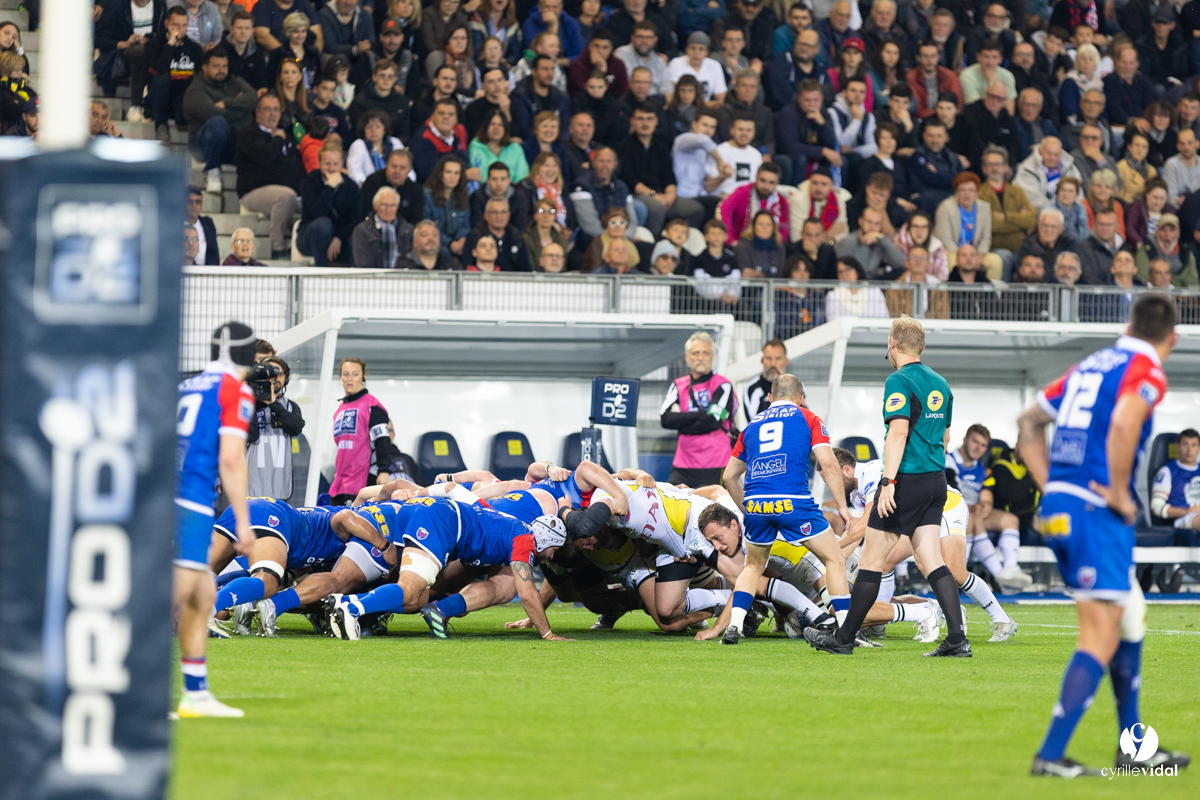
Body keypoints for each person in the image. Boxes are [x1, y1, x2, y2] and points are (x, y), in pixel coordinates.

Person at [1017, 295, 1191, 777]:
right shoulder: (1146, 369)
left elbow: (1027, 424)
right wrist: (1118, 493)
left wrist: (1054, 487)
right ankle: (1050, 756)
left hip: (1060, 507)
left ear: (1127, 324)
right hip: (1095, 511)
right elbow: (1123, 420)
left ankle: (1134, 748)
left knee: (1131, 614)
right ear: (1170, 339)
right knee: (1100, 634)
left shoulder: (1090, 364)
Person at [806, 315, 970, 657]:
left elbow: (898, 431)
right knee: (932, 559)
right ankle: (957, 639)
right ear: (922, 346)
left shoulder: (899, 380)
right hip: (936, 480)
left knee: (871, 561)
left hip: (905, 479)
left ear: (892, 344)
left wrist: (889, 480)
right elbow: (946, 436)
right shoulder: (941, 383)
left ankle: (844, 638)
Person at [714, 373, 850, 644]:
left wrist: (746, 507)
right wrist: (843, 506)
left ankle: (735, 626)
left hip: (755, 504)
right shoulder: (808, 417)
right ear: (801, 398)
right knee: (834, 559)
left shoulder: (751, 426)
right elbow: (829, 463)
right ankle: (846, 630)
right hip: (793, 501)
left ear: (770, 397)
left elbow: (729, 477)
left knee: (752, 566)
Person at [173, 322, 256, 717]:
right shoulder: (236, 390)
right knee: (174, 595)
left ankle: (195, 693)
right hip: (192, 498)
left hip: (166, 494)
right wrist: (242, 521)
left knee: (202, 593)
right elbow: (231, 458)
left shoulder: (188, 385)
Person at [659, 331, 738, 487]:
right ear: (687, 357)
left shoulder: (723, 385)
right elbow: (665, 419)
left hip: (717, 463)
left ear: (712, 356)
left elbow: (713, 421)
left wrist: (682, 422)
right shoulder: (678, 385)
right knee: (671, 506)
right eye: (696, 353)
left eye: (705, 353)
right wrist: (698, 415)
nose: (700, 357)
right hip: (683, 465)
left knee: (718, 510)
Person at [235, 93, 304, 259]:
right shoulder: (248, 134)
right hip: (254, 190)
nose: (272, 114)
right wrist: (278, 140)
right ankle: (277, 247)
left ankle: (305, 250)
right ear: (258, 112)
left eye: (276, 110)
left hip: (285, 188)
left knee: (312, 200)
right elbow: (266, 155)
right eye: (267, 109)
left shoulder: (285, 134)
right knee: (286, 197)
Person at [328, 356, 404, 505]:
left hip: (361, 483)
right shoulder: (340, 409)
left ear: (363, 376)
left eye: (355, 374)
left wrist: (384, 471)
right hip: (338, 485)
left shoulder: (372, 405)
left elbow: (383, 440)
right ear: (340, 377)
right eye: (345, 374)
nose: (350, 379)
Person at [617, 101, 686, 236]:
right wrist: (655, 195)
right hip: (638, 194)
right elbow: (629, 180)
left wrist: (671, 195)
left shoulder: (662, 146)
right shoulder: (623, 147)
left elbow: (669, 175)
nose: (645, 123)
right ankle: (652, 243)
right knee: (657, 207)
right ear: (632, 121)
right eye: (640, 119)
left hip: (662, 194)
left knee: (696, 209)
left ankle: (676, 243)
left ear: (656, 121)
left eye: (649, 119)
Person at [245, 354, 305, 499]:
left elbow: (296, 427)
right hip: (251, 486)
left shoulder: (290, 406)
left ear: (286, 378)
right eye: (269, 373)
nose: (274, 378)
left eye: (279, 374)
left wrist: (272, 404)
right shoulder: (247, 404)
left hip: (280, 487)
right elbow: (250, 435)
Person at [94, 0, 167, 112]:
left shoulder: (160, 5)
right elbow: (99, 40)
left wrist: (153, 40)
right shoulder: (115, 5)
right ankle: (136, 105)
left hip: (152, 54)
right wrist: (125, 43)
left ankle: (154, 107)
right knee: (141, 51)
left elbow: (164, 35)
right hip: (123, 55)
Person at [147, 6, 205, 141]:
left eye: (184, 25)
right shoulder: (154, 45)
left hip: (183, 98)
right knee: (160, 80)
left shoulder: (194, 49)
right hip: (161, 98)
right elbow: (160, 70)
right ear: (167, 24)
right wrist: (170, 44)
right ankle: (161, 125)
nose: (180, 29)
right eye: (176, 25)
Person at [298, 143, 360, 265]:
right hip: (310, 236)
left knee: (357, 236)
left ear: (342, 164)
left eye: (335, 164)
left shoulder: (351, 186)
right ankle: (321, 272)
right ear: (320, 163)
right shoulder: (309, 181)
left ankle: (355, 278)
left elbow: (355, 220)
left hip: (342, 238)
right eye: (327, 164)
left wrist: (338, 238)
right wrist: (330, 187)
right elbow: (317, 213)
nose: (331, 168)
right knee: (323, 223)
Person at [776, 78, 839, 186]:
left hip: (813, 153)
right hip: (790, 155)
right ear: (800, 99)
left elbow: (831, 144)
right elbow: (791, 146)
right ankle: (797, 193)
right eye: (807, 100)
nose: (812, 104)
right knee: (801, 158)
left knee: (842, 160)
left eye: (816, 100)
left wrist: (822, 124)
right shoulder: (789, 113)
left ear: (822, 99)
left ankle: (833, 195)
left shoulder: (824, 114)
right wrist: (822, 151)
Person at [934, 171, 993, 271]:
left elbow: (986, 238)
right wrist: (965, 257)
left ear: (978, 193)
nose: (967, 194)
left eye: (971, 190)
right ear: (956, 193)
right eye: (962, 190)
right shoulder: (945, 207)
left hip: (976, 253)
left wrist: (978, 255)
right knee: (952, 262)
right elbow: (945, 240)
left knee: (996, 262)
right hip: (952, 252)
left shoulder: (985, 207)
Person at [349, 57, 414, 147]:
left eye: (390, 76)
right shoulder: (360, 101)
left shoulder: (402, 102)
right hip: (367, 148)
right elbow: (359, 132)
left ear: (395, 79)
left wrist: (391, 147)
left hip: (394, 149)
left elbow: (405, 134)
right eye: (382, 75)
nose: (386, 80)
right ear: (374, 77)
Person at [719, 162, 787, 243]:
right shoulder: (742, 193)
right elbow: (723, 210)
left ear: (777, 183)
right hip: (738, 244)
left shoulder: (781, 202)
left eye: (771, 182)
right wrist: (730, 241)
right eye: (762, 180)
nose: (766, 186)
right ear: (756, 178)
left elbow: (783, 233)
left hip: (767, 248)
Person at [351, 186, 416, 269]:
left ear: (397, 207)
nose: (388, 209)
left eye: (392, 205)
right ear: (375, 206)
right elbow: (363, 263)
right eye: (384, 205)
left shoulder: (408, 229)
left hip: (401, 279)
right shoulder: (362, 230)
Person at [834, 206, 906, 279]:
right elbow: (844, 273)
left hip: (872, 284)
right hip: (854, 285)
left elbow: (901, 264)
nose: (872, 227)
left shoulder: (880, 242)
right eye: (869, 222)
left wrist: (884, 239)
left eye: (877, 224)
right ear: (860, 221)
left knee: (900, 273)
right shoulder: (848, 242)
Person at [464, 196, 533, 271]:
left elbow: (526, 269)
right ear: (486, 215)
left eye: (503, 212)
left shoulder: (517, 237)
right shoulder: (474, 236)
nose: (499, 216)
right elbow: (467, 266)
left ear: (509, 215)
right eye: (495, 212)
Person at [513, 54, 572, 141]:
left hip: (556, 146)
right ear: (534, 71)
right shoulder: (520, 95)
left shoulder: (562, 98)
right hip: (530, 145)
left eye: (552, 69)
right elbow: (524, 130)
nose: (550, 73)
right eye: (545, 69)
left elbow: (564, 131)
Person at [410, 97, 471, 183]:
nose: (446, 117)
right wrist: (464, 175)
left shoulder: (460, 131)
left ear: (456, 119)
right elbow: (429, 176)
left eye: (451, 114)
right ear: (433, 116)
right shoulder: (424, 139)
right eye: (441, 113)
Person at [908, 118, 961, 213]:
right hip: (930, 202)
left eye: (939, 136)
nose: (935, 140)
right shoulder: (918, 156)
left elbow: (962, 180)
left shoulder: (953, 157)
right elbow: (931, 178)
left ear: (946, 137)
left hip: (951, 198)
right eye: (931, 136)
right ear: (924, 136)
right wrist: (952, 177)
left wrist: (938, 173)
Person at [785, 167, 850, 245]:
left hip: (829, 248)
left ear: (831, 186)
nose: (819, 188)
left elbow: (842, 235)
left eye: (824, 184)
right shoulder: (798, 199)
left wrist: (824, 240)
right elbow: (797, 239)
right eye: (815, 183)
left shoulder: (837, 199)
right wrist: (828, 235)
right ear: (809, 183)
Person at [1151, 428, 1200, 531]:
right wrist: (1186, 511)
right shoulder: (1167, 471)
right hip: (1182, 518)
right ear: (1178, 446)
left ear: (1199, 448)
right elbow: (1156, 506)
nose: (1189, 450)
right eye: (1185, 444)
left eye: (1194, 445)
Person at [360, 147, 424, 225]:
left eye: (402, 168)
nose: (397, 171)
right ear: (386, 165)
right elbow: (364, 213)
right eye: (394, 166)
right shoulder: (372, 182)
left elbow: (415, 221)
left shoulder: (416, 191)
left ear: (409, 170)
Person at [765, 28, 824, 112]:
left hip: (814, 113)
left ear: (817, 49)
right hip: (783, 113)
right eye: (801, 44)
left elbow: (827, 92)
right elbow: (781, 92)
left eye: (808, 46)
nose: (804, 48)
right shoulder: (782, 60)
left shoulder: (820, 67)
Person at [424, 155, 472, 258]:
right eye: (448, 172)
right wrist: (450, 243)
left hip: (457, 244)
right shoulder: (427, 196)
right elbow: (427, 226)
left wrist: (461, 240)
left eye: (456, 173)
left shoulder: (463, 196)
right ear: (440, 174)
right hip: (436, 242)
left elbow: (465, 225)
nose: (452, 177)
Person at [1135, 213, 1200, 287]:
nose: (1167, 234)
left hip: (1181, 298)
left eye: (1172, 230)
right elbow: (1142, 281)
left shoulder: (1186, 253)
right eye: (1163, 230)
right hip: (1152, 297)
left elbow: (1193, 284)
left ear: (1178, 233)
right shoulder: (1146, 250)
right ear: (1157, 232)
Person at [906, 39, 962, 120]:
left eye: (933, 56)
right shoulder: (911, 77)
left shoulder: (949, 75)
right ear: (918, 58)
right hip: (923, 120)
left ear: (938, 57)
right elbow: (917, 110)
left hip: (947, 119)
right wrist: (940, 113)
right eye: (925, 56)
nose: (929, 60)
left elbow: (958, 105)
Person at [1102, 43, 1155, 129]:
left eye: (1131, 63)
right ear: (1117, 62)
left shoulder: (1144, 81)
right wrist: (1133, 121)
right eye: (1124, 62)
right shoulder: (1108, 81)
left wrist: (1144, 121)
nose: (1128, 67)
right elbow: (1114, 109)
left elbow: (1150, 106)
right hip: (1118, 125)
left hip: (1143, 124)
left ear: (1137, 64)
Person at [669, 31, 728, 103]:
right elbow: (674, 94)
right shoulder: (676, 63)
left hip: (706, 109)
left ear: (707, 52)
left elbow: (721, 97)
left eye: (701, 49)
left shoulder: (715, 66)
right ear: (686, 49)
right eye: (693, 48)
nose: (696, 52)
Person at [824, 256, 889, 319]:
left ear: (857, 270)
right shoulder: (833, 296)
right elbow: (833, 321)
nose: (844, 274)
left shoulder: (874, 292)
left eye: (848, 269)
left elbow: (883, 316)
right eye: (840, 272)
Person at [741, 338, 788, 422]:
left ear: (786, 361)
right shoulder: (751, 388)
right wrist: (775, 389)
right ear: (762, 360)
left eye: (778, 358)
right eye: (769, 358)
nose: (773, 364)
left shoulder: (797, 386)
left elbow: (804, 416)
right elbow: (754, 422)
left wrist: (782, 386)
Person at [222, 10, 270, 91]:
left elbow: (262, 82)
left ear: (252, 32)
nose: (243, 32)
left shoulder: (257, 53)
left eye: (247, 28)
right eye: (239, 28)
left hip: (250, 98)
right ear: (231, 29)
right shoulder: (220, 49)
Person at [892, 208, 947, 280]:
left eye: (924, 227)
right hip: (901, 288)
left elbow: (942, 276)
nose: (919, 231)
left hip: (930, 288)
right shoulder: (897, 244)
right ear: (909, 228)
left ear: (929, 230)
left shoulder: (938, 248)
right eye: (915, 226)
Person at [253, 0, 324, 53]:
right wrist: (288, 55)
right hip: (275, 55)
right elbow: (262, 36)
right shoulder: (263, 5)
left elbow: (318, 34)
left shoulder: (304, 4)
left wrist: (314, 56)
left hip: (305, 54)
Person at [1077, 208, 1125, 285]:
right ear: (1095, 226)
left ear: (1117, 227)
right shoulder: (1085, 248)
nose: (1104, 228)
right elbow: (1090, 278)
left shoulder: (1125, 248)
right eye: (1101, 224)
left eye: (1109, 225)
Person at [734, 209, 786, 277]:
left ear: (773, 228)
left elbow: (781, 275)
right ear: (753, 226)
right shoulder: (743, 247)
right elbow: (746, 274)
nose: (764, 227)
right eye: (760, 224)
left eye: (768, 225)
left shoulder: (780, 248)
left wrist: (759, 275)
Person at [1071, 123, 1121, 192]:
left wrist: (1101, 161)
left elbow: (1119, 185)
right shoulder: (1074, 158)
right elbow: (1086, 188)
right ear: (1080, 139)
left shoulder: (1109, 159)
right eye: (1086, 137)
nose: (1089, 141)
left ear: (1101, 141)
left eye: (1094, 138)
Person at [397, 219, 463, 270]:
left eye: (435, 235)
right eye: (424, 235)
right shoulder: (403, 267)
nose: (431, 238)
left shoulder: (452, 265)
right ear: (415, 242)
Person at [525, 197, 571, 268]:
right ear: (535, 215)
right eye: (541, 211)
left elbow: (562, 268)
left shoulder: (561, 242)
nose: (546, 215)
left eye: (551, 211)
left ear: (555, 216)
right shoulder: (526, 240)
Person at [1084, 169, 1126, 239]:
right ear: (1092, 188)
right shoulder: (1083, 205)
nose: (1103, 190)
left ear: (1113, 190)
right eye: (1098, 186)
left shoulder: (1117, 206)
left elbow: (1120, 232)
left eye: (1107, 187)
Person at [1164, 129, 1200, 209]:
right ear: (1178, 146)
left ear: (1197, 144)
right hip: (1181, 209)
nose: (1186, 147)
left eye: (1190, 143)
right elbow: (1170, 198)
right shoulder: (1171, 164)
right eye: (1182, 143)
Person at [184, 185, 220, 265]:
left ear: (202, 204)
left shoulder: (208, 224)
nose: (194, 205)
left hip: (207, 274)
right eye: (190, 201)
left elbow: (214, 254)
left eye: (197, 202)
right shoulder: (175, 225)